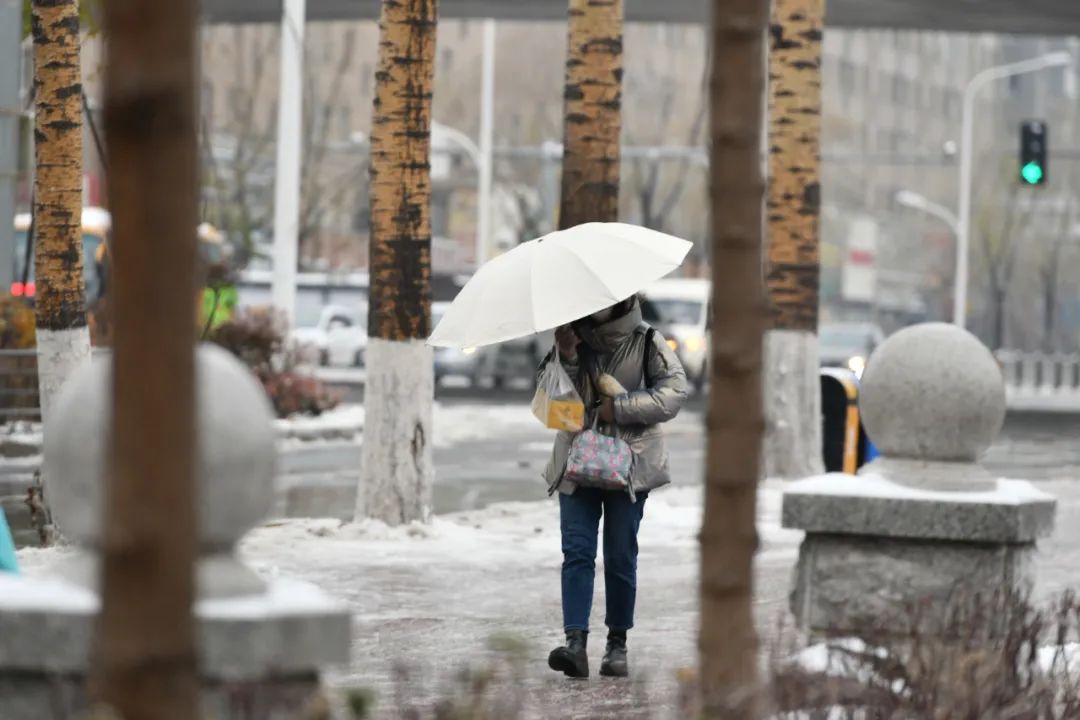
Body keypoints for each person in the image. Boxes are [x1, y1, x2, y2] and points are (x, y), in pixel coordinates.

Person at [538, 294, 687, 679]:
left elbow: (673, 395)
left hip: (630, 465)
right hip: (576, 459)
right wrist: (567, 356)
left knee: (620, 556)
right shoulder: (569, 338)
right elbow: (552, 405)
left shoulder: (647, 340)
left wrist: (618, 408)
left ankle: (616, 645)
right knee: (577, 553)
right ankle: (575, 644)